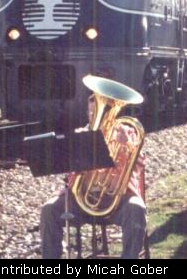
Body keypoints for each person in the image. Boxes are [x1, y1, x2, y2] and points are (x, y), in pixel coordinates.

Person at [40, 95, 147, 259]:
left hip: (118, 200)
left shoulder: (129, 132)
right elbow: (68, 170)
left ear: (112, 113)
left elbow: (139, 165)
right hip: (81, 200)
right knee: (49, 209)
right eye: (91, 111)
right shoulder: (80, 134)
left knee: (137, 208)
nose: (94, 115)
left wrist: (127, 146)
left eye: (100, 111)